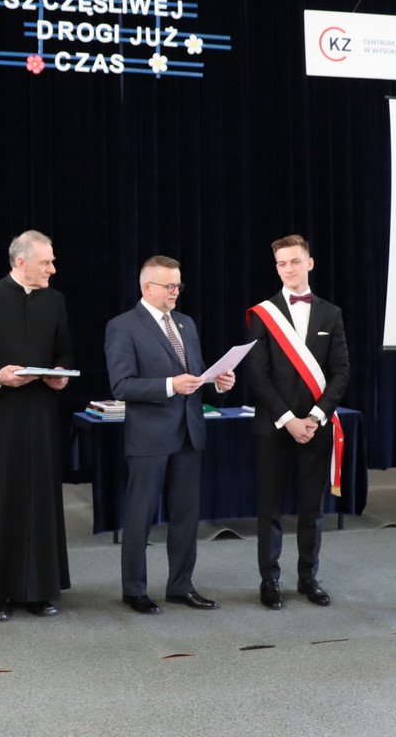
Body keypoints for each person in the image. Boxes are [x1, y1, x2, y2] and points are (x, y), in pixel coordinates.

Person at [0, 229, 75, 621]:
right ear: (21, 262)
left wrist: (60, 374)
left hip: (40, 418)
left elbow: (64, 352)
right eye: (46, 263)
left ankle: (38, 590)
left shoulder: (54, 301)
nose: (52, 269)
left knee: (39, 501)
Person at [105, 256, 236, 615]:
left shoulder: (186, 323)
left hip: (189, 433)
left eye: (178, 285)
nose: (176, 291)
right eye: (169, 286)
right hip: (149, 437)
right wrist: (169, 385)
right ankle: (134, 590)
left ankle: (180, 586)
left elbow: (196, 375)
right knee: (140, 516)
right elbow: (122, 385)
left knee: (186, 516)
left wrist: (218, 382)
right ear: (147, 287)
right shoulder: (123, 326)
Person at [247, 234, 349, 609]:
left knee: (311, 510)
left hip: (315, 427)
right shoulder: (264, 314)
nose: (288, 268)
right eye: (281, 263)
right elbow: (257, 375)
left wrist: (316, 417)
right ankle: (269, 580)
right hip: (274, 427)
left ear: (309, 263)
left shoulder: (331, 313)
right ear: (276, 268)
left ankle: (309, 578)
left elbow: (341, 372)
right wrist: (289, 419)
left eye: (294, 261)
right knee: (270, 510)